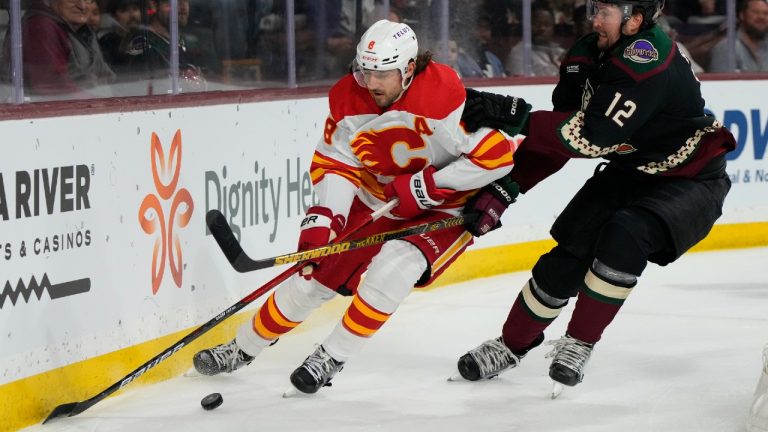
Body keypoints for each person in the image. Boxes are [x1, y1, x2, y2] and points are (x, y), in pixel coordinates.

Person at [191, 19, 527, 395]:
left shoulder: (444, 98)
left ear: (409, 69)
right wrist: (323, 221)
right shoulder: (348, 98)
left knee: (395, 268)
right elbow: (337, 162)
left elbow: (497, 159)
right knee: (312, 276)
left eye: (383, 73)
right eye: (365, 71)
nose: (372, 82)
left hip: (445, 205)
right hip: (379, 195)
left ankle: (330, 357)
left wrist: (428, 185)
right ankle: (241, 349)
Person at [455, 0, 737, 397]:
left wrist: (515, 114)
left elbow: (594, 136)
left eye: (605, 12)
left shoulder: (648, 58)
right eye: (594, 9)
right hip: (629, 172)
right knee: (565, 258)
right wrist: (506, 188)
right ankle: (511, 344)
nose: (594, 19)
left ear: (635, 20)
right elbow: (560, 137)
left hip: (690, 180)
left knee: (625, 234)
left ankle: (579, 342)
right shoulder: (584, 55)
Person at [10, 0, 115, 99]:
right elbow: (53, 86)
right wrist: (98, 105)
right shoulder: (41, 26)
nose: (82, 6)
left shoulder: (83, 30)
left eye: (88, 0)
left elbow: (106, 76)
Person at [709, 0, 768, 72]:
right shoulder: (726, 48)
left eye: (766, 13)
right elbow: (722, 82)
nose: (761, 17)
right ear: (742, 15)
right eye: (756, 12)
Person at [506, 7, 566, 76]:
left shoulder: (560, 52)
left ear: (553, 29)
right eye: (537, 24)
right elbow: (524, 84)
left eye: (546, 25)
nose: (542, 28)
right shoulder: (518, 53)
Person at [98, 0, 142, 73]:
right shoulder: (108, 41)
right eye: (124, 11)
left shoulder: (148, 37)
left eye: (135, 9)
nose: (132, 15)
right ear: (114, 16)